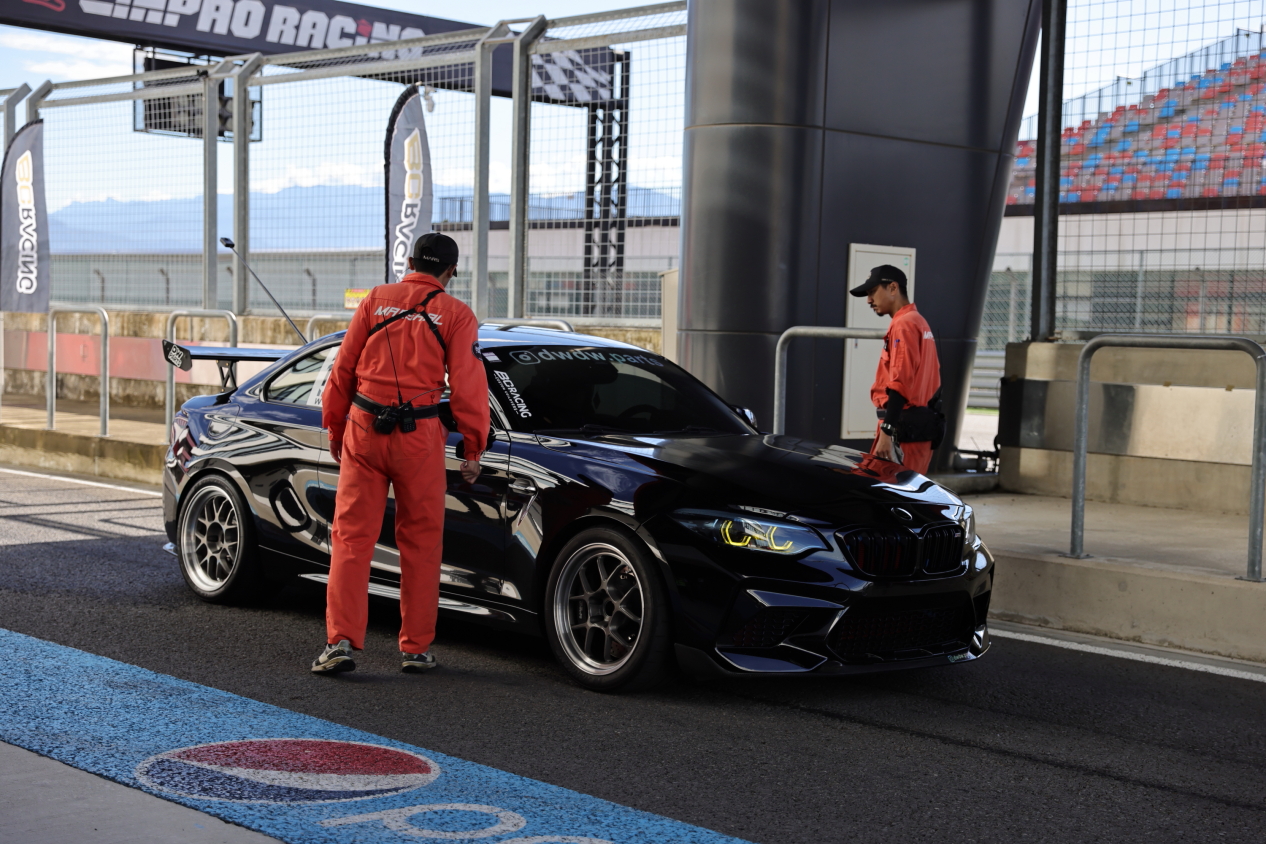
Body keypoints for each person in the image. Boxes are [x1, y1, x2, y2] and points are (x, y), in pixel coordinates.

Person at [312, 232, 489, 674]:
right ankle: (416, 649)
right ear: (451, 271)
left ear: (410, 262)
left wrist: (335, 428)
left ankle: (339, 642)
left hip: (363, 427)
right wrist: (472, 448)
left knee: (351, 539)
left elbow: (342, 369)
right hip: (420, 435)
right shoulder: (457, 314)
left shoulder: (375, 300)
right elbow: (468, 385)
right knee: (422, 542)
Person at [848, 264, 941, 475]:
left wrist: (887, 430)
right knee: (908, 489)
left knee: (885, 490)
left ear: (892, 288)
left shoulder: (903, 324)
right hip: (919, 430)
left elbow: (900, 382)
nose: (869, 300)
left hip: (902, 431)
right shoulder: (920, 322)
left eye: (872, 292)